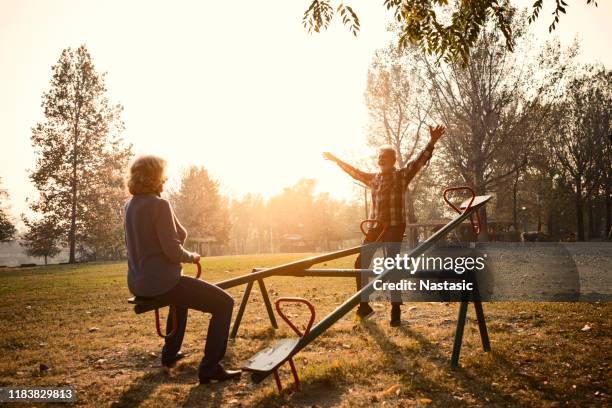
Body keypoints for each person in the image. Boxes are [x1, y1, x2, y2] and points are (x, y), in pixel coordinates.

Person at [123, 155, 240, 384]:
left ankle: (169, 354)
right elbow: (173, 250)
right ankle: (210, 366)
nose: (166, 179)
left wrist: (163, 204)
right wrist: (192, 256)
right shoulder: (159, 205)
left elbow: (179, 233)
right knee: (224, 303)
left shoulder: (130, 205)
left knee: (181, 297)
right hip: (161, 281)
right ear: (157, 176)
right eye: (163, 175)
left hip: (138, 281)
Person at [323, 125, 445, 326]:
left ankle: (396, 310)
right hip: (375, 228)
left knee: (391, 268)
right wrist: (336, 160)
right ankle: (364, 306)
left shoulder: (402, 176)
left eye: (384, 157)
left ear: (393, 160)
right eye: (379, 157)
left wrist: (432, 142)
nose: (381, 160)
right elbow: (353, 172)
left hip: (395, 227)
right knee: (359, 264)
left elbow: (420, 161)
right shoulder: (374, 179)